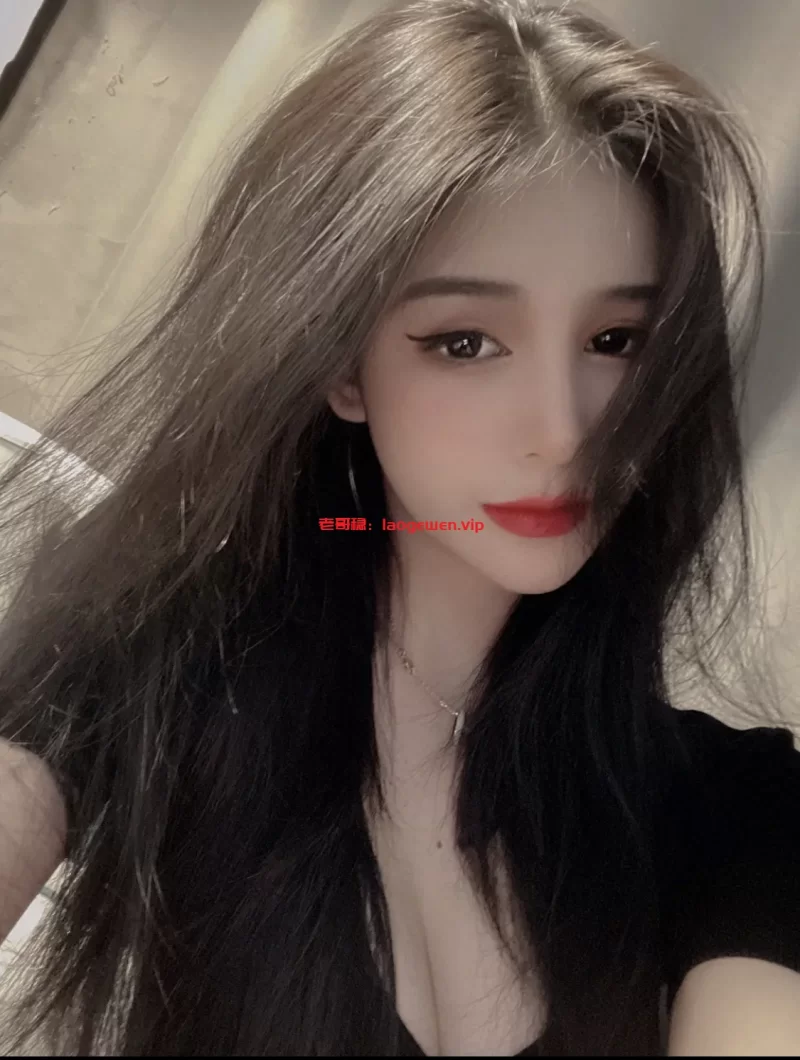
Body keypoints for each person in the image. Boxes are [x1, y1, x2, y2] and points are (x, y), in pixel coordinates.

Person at [0, 0, 798, 1054]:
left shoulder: (719, 801)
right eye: (465, 341)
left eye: (614, 339)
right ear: (341, 365)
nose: (564, 431)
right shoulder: (153, 667)